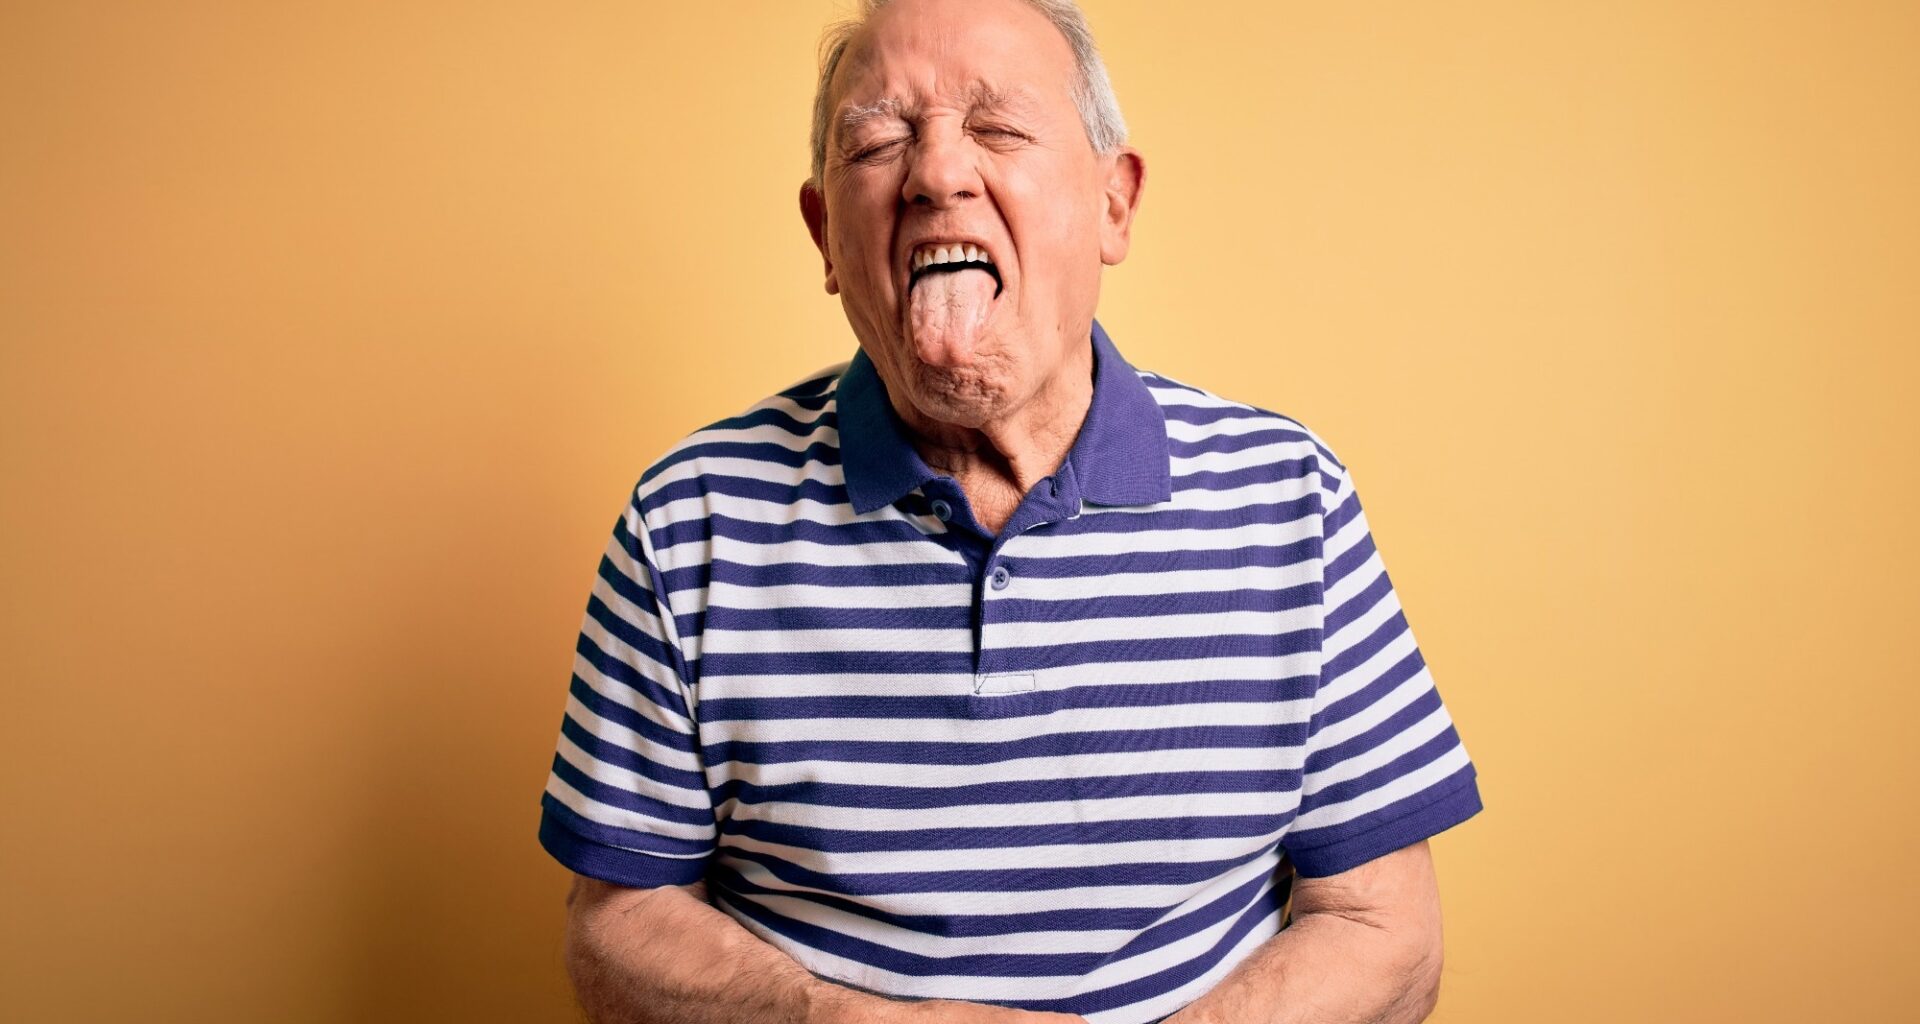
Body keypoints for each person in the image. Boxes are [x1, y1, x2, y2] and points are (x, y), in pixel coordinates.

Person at [535, 1, 1484, 1021]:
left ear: (1114, 205)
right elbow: (615, 925)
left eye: (998, 127)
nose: (937, 174)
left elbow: (1386, 927)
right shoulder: (690, 522)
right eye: (879, 139)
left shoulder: (1290, 502)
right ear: (823, 234)